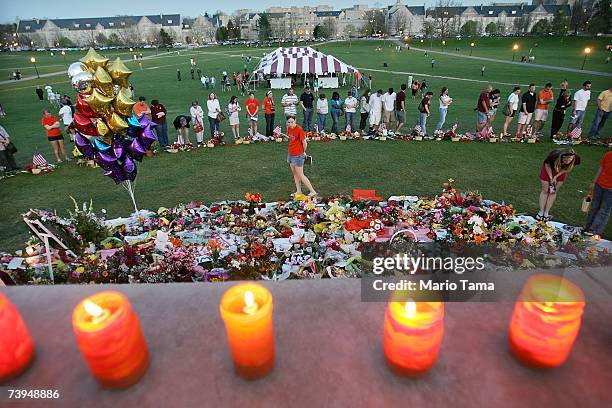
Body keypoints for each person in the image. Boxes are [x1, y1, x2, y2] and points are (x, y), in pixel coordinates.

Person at [537, 148, 580, 221]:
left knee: (553, 191)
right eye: (565, 160)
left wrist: (556, 176)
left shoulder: (576, 159)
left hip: (561, 171)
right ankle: (541, 212)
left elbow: (567, 168)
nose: (568, 161)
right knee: (545, 190)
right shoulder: (554, 155)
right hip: (548, 169)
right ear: (561, 157)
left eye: (570, 160)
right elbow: (547, 165)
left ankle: (546, 212)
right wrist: (551, 177)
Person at [286, 116, 316, 198]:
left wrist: (303, 152)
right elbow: (292, 139)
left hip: (298, 155)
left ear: (295, 121)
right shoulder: (288, 128)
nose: (290, 124)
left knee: (301, 175)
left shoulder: (299, 129)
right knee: (295, 174)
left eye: (292, 122)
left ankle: (312, 191)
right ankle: (298, 191)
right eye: (289, 122)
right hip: (291, 153)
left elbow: (304, 143)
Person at [584, 151, 612, 236]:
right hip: (599, 185)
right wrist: (594, 182)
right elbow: (601, 168)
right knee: (594, 207)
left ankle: (595, 230)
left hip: (610, 189)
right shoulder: (608, 154)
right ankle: (587, 227)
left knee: (604, 210)